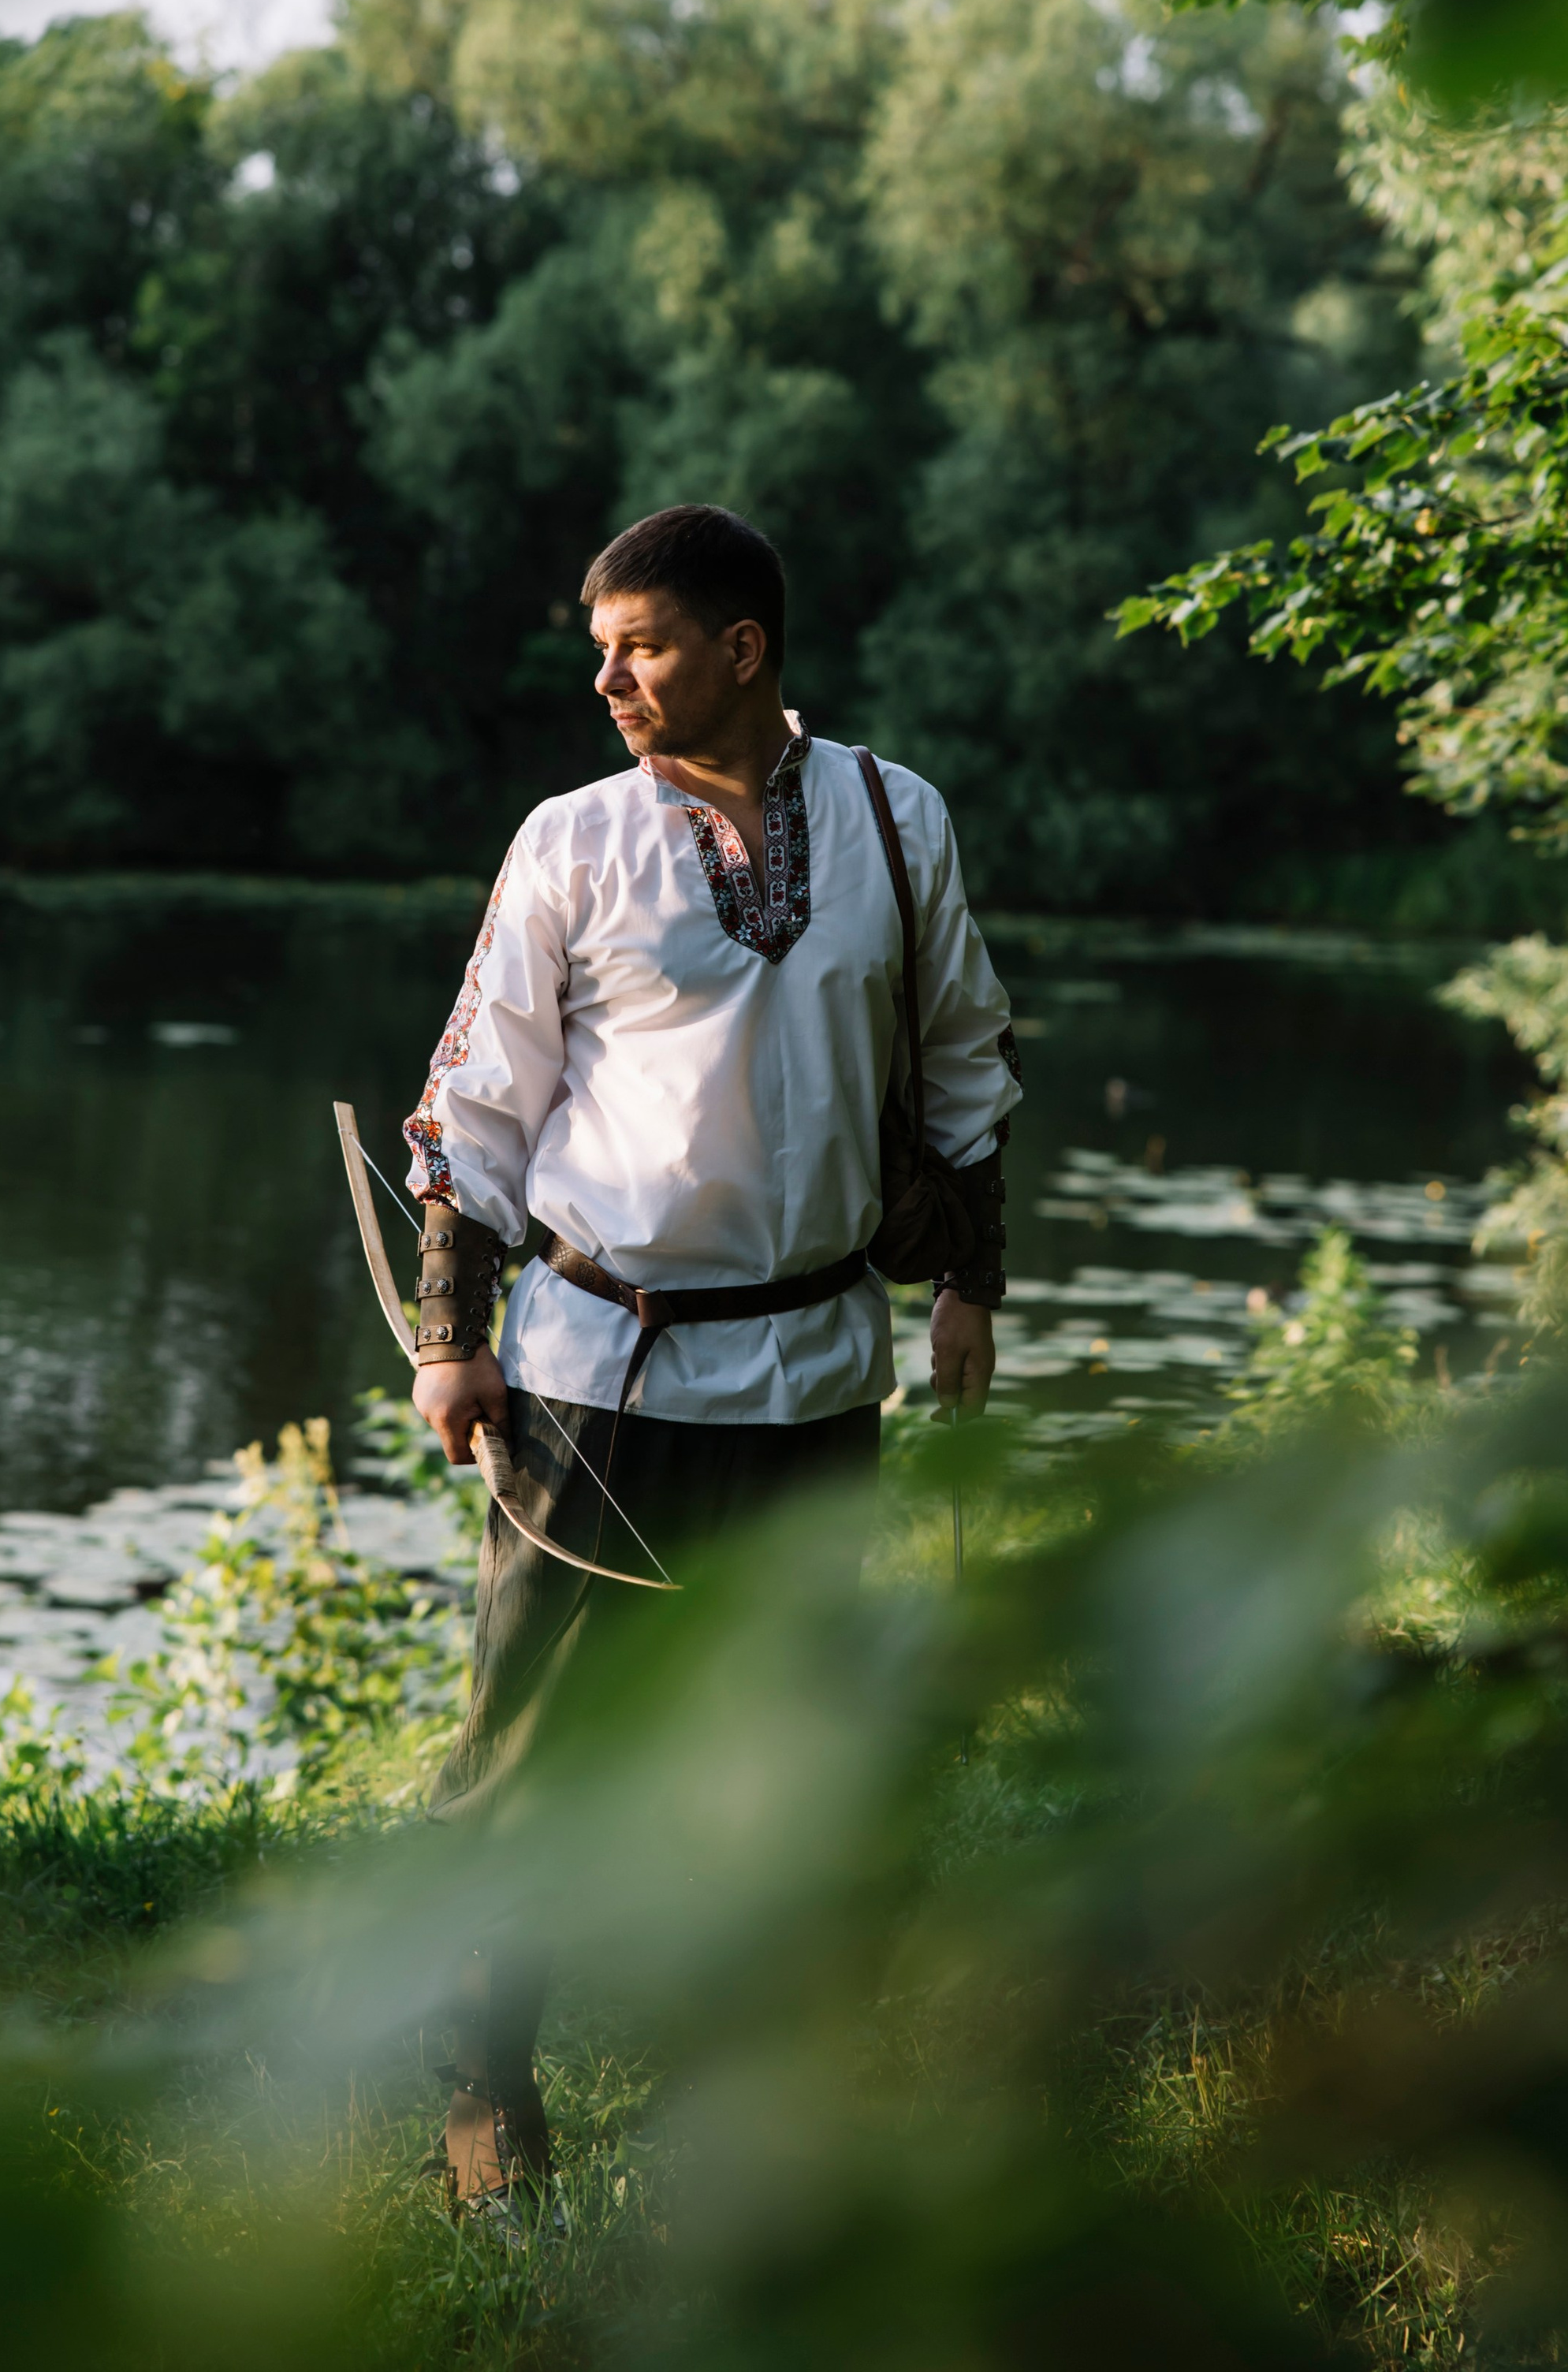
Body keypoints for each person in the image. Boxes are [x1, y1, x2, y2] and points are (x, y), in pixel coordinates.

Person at [403, 502, 1019, 2223]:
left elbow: (963, 1065)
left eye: (642, 645)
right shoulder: (570, 843)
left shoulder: (900, 823)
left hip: (822, 1376)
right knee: (531, 1754)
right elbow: (469, 1110)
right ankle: (482, 2089)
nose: (607, 678)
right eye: (597, 650)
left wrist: (967, 1291)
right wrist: (454, 1338)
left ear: (741, 650)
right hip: (601, 1382)